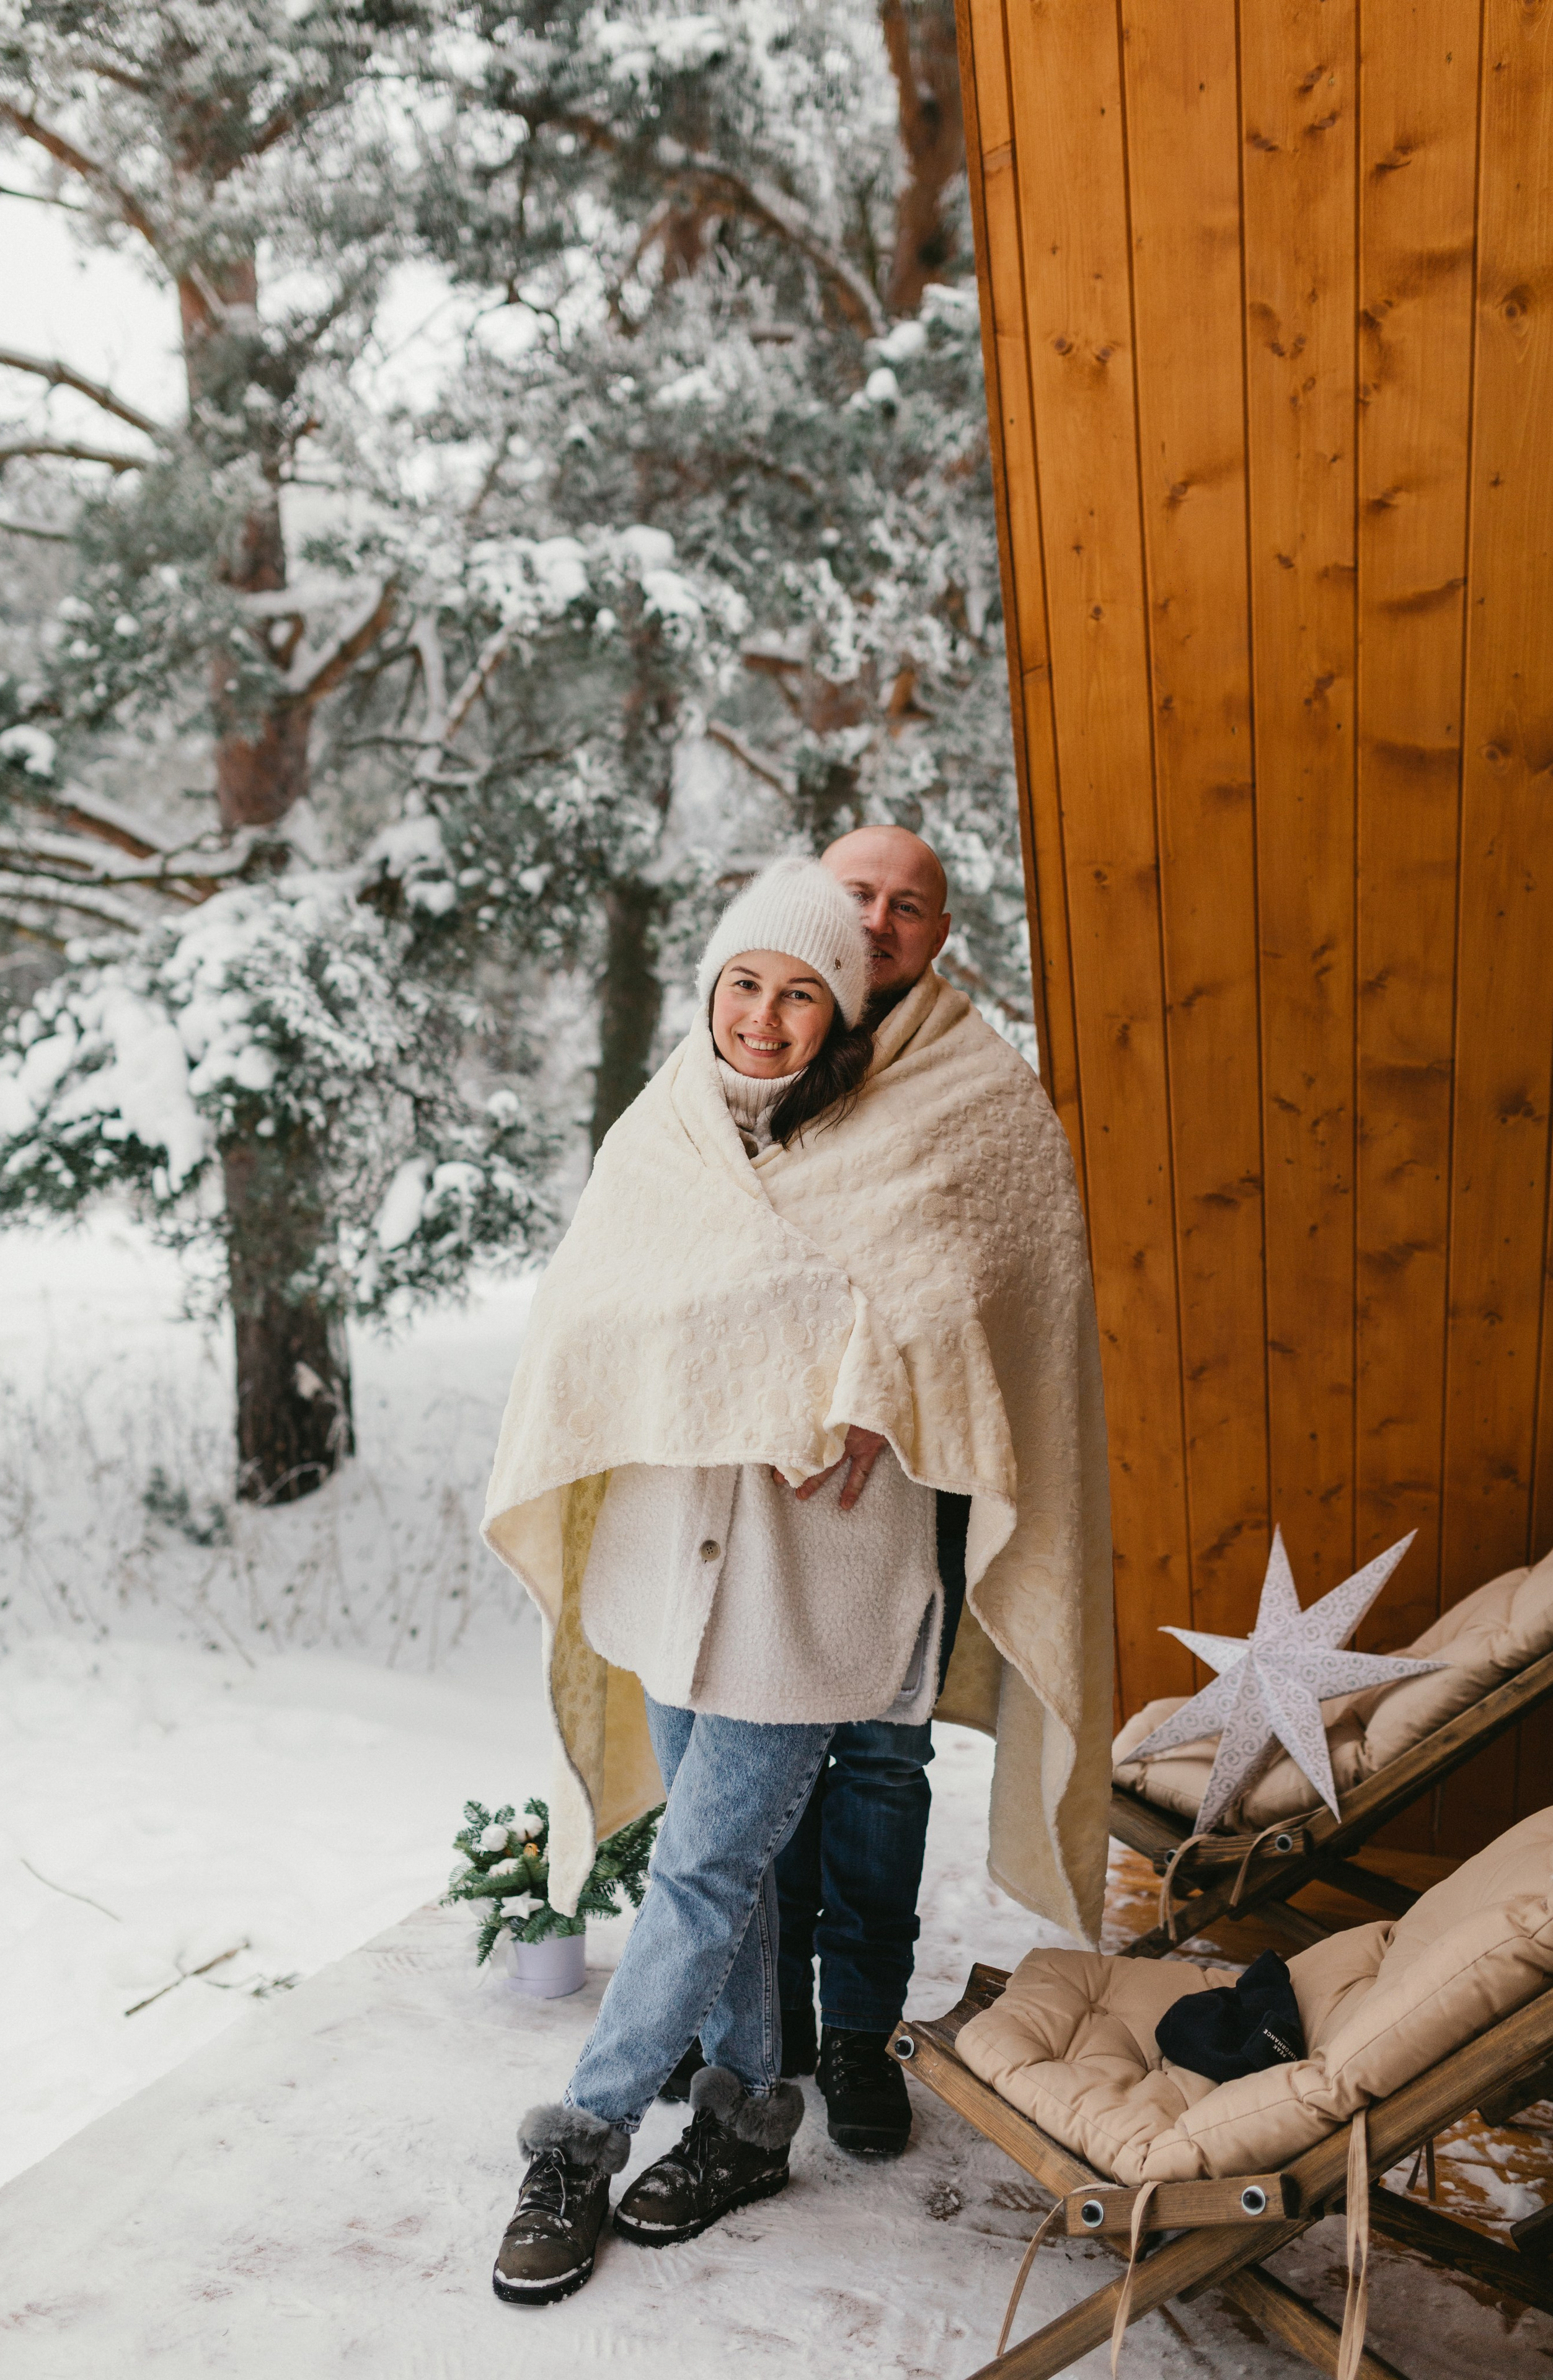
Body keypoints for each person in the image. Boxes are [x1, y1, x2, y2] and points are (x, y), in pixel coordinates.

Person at [482, 850, 1113, 2308]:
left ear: (842, 1012)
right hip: (670, 1563)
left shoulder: (910, 1117)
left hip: (818, 1577)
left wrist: (880, 1389)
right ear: (711, 987)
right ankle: (748, 2119)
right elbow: (591, 1313)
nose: (764, 1018)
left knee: (701, 1868)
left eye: (799, 996)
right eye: (743, 985)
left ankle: (579, 2141)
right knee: (737, 1872)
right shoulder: (666, 1128)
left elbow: (956, 1308)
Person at [659, 827, 970, 2156]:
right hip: (752, 1474)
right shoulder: (745, 1050)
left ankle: (860, 2033)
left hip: (906, 1470)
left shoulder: (965, 1077)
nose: (882, 921)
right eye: (859, 895)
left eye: (911, 905)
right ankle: (765, 2021)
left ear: (940, 934)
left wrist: (892, 1386)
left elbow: (988, 1274)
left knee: (882, 1761)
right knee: (757, 1732)